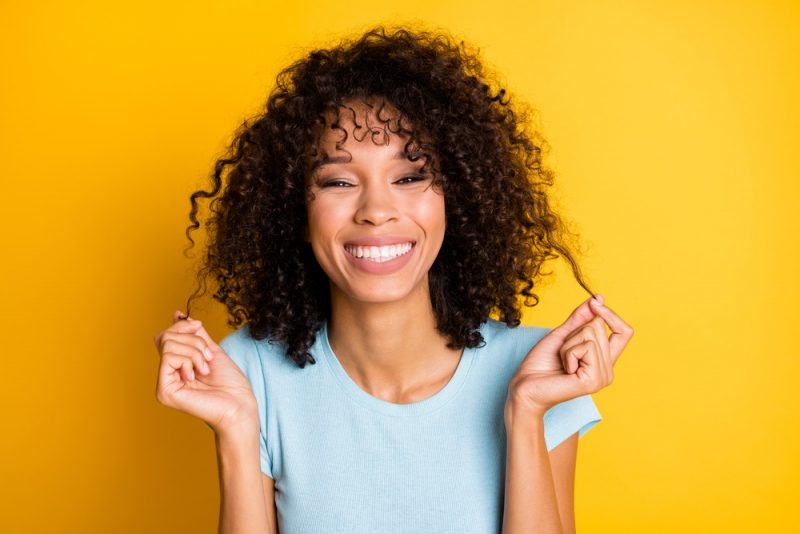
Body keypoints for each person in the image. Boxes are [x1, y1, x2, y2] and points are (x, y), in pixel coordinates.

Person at [153, 25, 633, 534]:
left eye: (409, 177)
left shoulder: (537, 371)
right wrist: (234, 429)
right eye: (338, 181)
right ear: (295, 209)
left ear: (458, 197)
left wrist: (524, 411)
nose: (377, 211)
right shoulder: (251, 372)